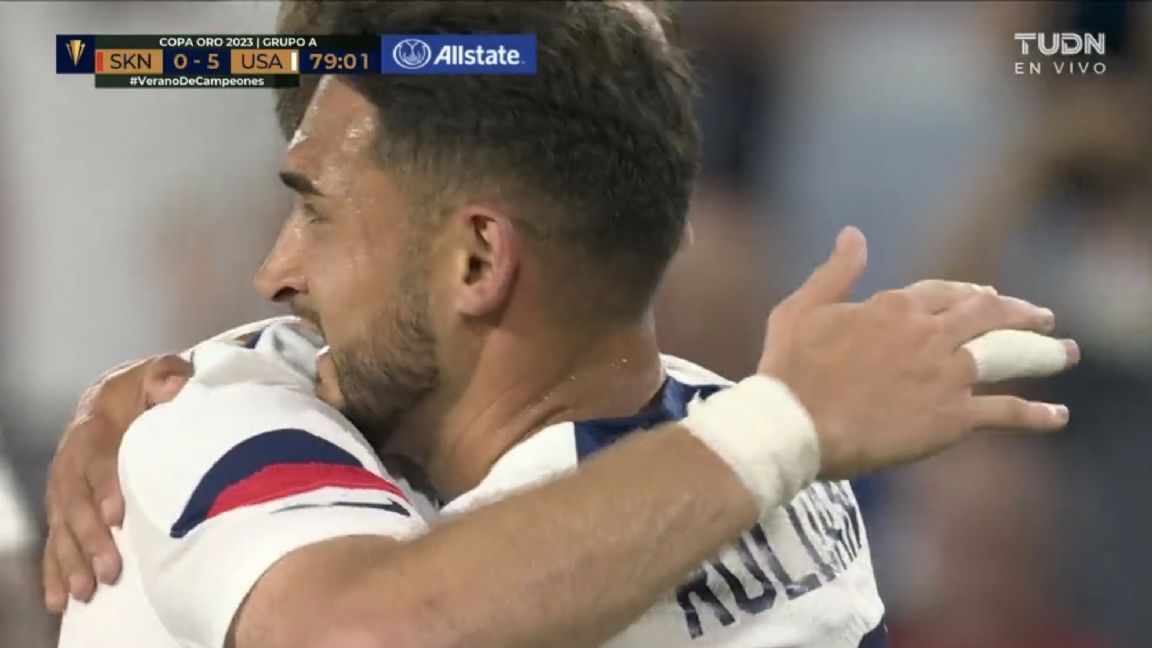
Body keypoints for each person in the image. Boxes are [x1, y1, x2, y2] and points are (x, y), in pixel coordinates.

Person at [45, 3, 1077, 647]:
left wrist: (790, 431)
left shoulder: (788, 489)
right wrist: (790, 426)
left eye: (316, 213)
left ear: (478, 261)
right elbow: (361, 630)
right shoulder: (225, 408)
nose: (273, 272)